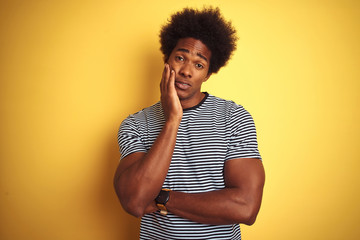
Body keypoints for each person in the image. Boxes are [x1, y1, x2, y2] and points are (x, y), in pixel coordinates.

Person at [114, 7, 265, 240]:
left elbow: (245, 207)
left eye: (198, 64)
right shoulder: (135, 124)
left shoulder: (234, 117)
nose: (186, 71)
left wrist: (163, 198)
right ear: (167, 59)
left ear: (207, 74)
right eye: (181, 58)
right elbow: (134, 201)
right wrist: (173, 120)